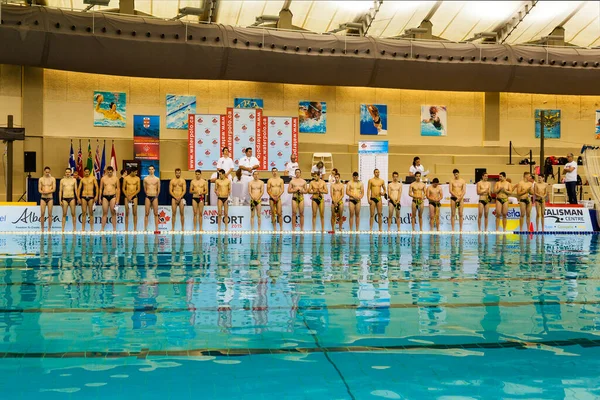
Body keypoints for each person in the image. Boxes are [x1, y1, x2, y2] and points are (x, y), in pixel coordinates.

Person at [100, 166, 119, 232]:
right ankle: (102, 228)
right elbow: (101, 189)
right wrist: (100, 198)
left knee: (113, 213)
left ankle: (114, 229)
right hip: (105, 196)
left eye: (111, 172)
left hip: (113, 196)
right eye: (108, 172)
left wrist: (117, 199)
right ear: (106, 171)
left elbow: (118, 189)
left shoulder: (116, 179)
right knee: (104, 213)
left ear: (113, 171)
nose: (109, 173)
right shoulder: (103, 179)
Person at [78, 167, 98, 232]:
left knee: (91, 213)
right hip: (83, 196)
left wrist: (96, 196)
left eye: (87, 172)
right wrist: (78, 198)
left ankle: (92, 228)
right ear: (84, 172)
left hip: (91, 196)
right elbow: (79, 189)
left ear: (89, 172)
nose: (86, 173)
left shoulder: (93, 178)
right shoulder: (82, 180)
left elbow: (97, 187)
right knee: (84, 213)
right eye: (85, 172)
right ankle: (83, 229)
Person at [59, 167, 78, 232]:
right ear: (65, 173)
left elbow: (76, 190)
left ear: (71, 173)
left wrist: (78, 198)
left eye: (68, 172)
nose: (67, 173)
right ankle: (63, 229)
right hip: (64, 198)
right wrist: (60, 200)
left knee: (73, 213)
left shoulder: (74, 180)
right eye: (66, 172)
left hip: (72, 198)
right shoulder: (62, 180)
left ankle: (74, 228)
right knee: (64, 214)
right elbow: (60, 191)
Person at [38, 167, 56, 232]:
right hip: (43, 198)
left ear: (50, 172)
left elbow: (54, 189)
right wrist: (43, 192)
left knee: (50, 213)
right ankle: (42, 229)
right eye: (46, 172)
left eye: (48, 172)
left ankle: (49, 228)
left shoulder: (53, 179)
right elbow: (39, 189)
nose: (47, 173)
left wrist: (47, 192)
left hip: (50, 198)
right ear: (44, 171)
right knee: (42, 213)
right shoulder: (41, 179)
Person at [144, 165, 160, 231]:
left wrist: (156, 196)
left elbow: (158, 189)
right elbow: (145, 188)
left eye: (152, 169)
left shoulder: (157, 179)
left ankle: (156, 229)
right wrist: (147, 194)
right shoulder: (145, 179)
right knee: (146, 213)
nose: (151, 170)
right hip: (148, 196)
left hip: (155, 197)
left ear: (154, 170)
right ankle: (145, 229)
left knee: (156, 213)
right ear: (148, 170)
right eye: (150, 169)